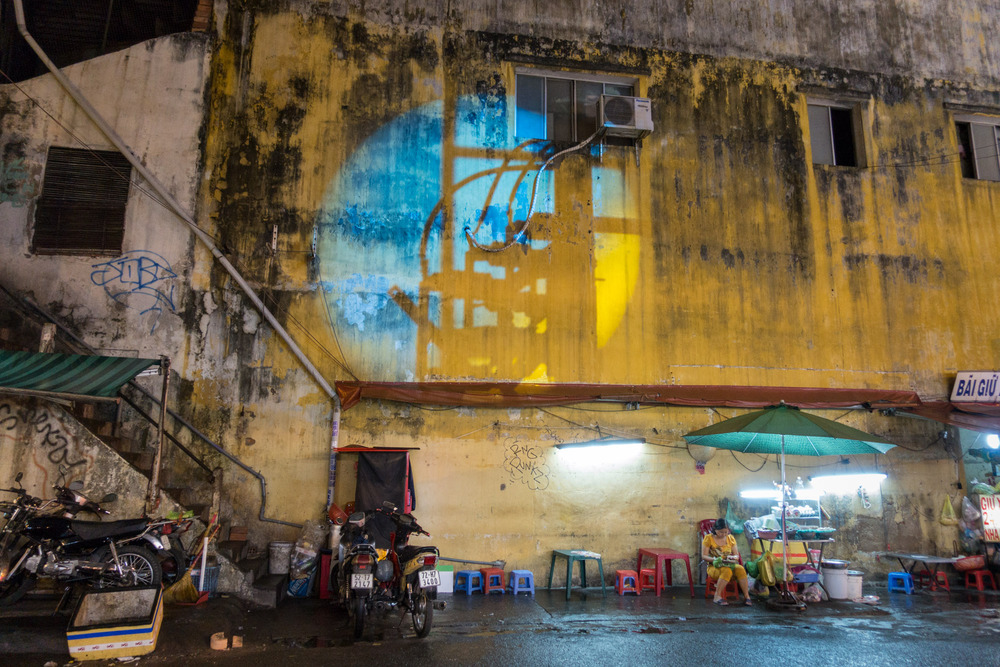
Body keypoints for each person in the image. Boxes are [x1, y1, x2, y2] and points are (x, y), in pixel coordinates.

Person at [702, 517, 751, 606]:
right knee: (726, 570)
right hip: (714, 567)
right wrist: (715, 559)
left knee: (740, 569)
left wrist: (731, 558)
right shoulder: (708, 538)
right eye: (721, 532)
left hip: (728, 564)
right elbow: (704, 556)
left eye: (726, 532)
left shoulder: (730, 538)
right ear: (715, 530)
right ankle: (717, 596)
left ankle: (746, 596)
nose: (724, 534)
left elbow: (736, 555)